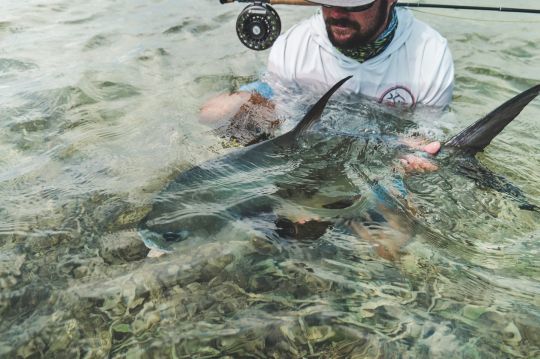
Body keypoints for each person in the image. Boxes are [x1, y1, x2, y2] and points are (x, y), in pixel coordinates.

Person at [201, 0, 454, 169]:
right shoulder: (293, 46)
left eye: (352, 3)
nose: (335, 13)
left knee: (390, 242)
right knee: (214, 113)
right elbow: (281, 114)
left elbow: (425, 130)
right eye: (328, 0)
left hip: (380, 142)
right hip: (297, 113)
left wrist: (416, 152)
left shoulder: (429, 53)